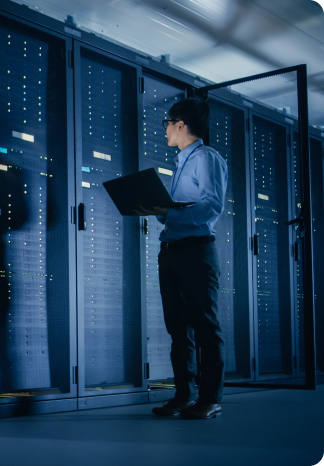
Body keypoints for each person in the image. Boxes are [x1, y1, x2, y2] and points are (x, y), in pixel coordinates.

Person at [135, 98, 228, 419]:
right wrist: (161, 210)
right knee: (178, 329)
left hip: (195, 251)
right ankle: (184, 396)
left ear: (180, 125)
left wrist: (170, 210)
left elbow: (211, 205)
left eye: (167, 123)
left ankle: (210, 399)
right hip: (172, 251)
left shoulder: (205, 158)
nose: (164, 130)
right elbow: (180, 214)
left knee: (205, 327)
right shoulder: (182, 163)